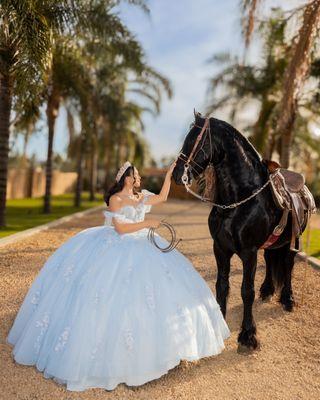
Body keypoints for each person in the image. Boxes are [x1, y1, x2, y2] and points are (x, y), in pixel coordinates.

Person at [7, 161, 230, 392]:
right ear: (127, 178)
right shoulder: (116, 200)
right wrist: (147, 223)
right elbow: (121, 229)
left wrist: (168, 174)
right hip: (117, 246)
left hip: (143, 244)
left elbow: (163, 197)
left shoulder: (140, 197)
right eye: (136, 174)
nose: (140, 177)